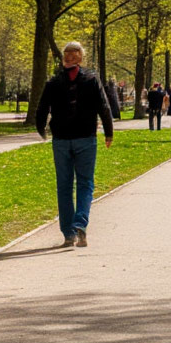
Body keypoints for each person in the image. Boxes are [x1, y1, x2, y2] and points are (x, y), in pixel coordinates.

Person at [36, 41, 113, 247]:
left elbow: (42, 107)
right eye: (69, 53)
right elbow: (103, 106)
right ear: (80, 57)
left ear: (76, 57)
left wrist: (41, 127)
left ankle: (69, 233)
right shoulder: (91, 79)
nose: (69, 56)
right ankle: (80, 223)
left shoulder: (54, 82)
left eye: (72, 53)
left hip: (61, 139)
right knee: (85, 183)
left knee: (64, 185)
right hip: (85, 138)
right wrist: (108, 132)